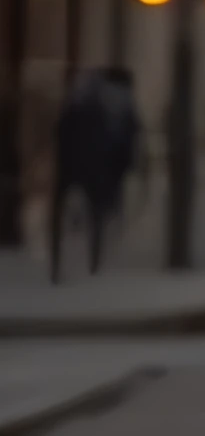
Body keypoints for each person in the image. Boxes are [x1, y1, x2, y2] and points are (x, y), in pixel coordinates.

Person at [53, 58, 135, 276]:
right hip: (98, 169)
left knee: (85, 213)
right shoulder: (112, 105)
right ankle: (92, 263)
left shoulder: (78, 102)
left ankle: (71, 265)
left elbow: (63, 132)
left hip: (81, 167)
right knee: (97, 214)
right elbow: (121, 139)